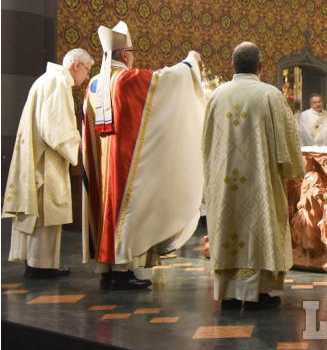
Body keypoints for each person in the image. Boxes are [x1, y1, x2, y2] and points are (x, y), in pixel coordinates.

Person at [83, 21, 205, 290]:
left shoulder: (93, 84)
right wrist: (189, 63)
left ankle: (108, 270)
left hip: (103, 169)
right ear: (125, 54)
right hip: (124, 165)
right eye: (132, 52)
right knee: (127, 210)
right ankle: (122, 270)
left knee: (107, 211)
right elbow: (164, 81)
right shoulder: (125, 80)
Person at [202, 41, 304, 310]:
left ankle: (229, 294)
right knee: (260, 231)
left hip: (225, 183)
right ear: (261, 66)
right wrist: (294, 172)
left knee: (229, 230)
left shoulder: (216, 96)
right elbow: (288, 142)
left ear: (232, 65)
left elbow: (206, 144)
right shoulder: (271, 96)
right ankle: (258, 293)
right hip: (261, 183)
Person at [3, 49, 94, 279]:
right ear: (77, 66)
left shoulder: (48, 79)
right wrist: (78, 143)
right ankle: (40, 266)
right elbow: (54, 126)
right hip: (46, 159)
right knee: (46, 209)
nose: (86, 78)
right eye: (87, 70)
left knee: (42, 212)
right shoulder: (58, 82)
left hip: (40, 154)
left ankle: (39, 263)